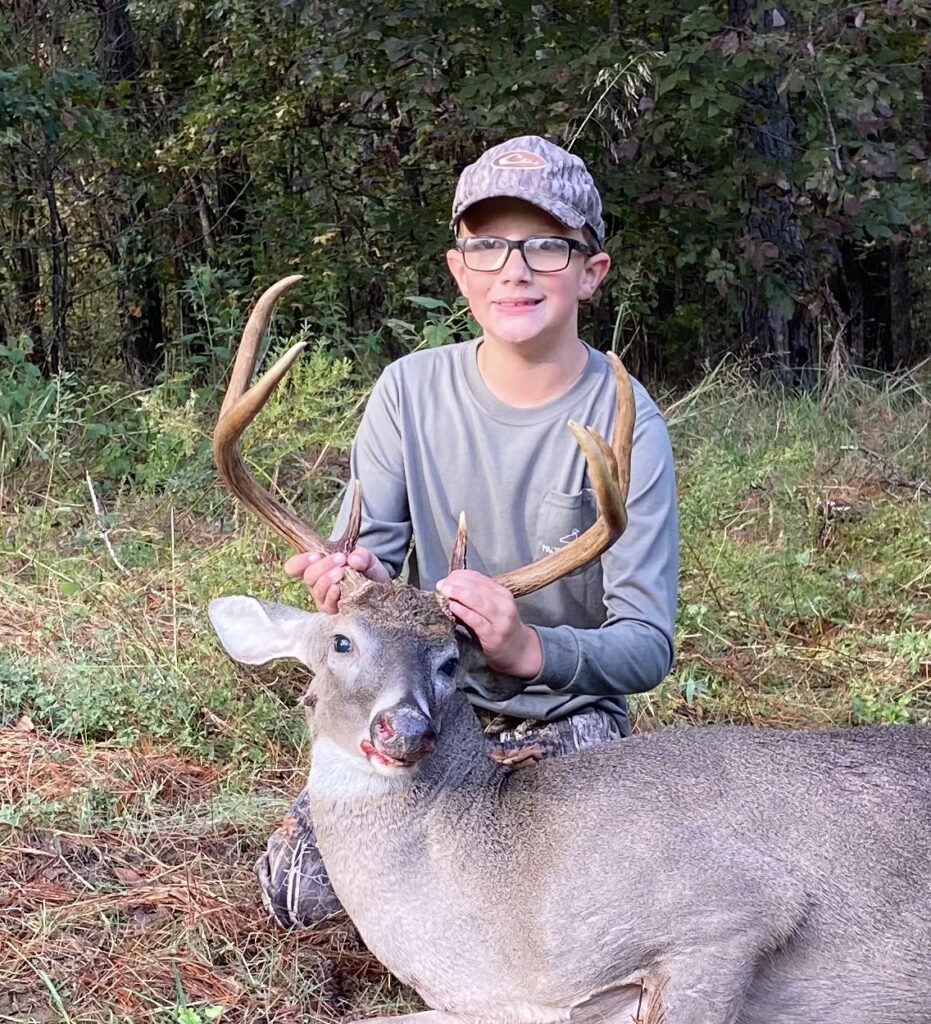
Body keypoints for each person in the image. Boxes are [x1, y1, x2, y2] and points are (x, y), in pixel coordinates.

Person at [256, 135, 679, 929]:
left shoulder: (626, 425)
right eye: (487, 245)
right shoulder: (407, 391)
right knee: (300, 894)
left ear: (591, 272)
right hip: (415, 698)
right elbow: (373, 551)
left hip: (564, 713)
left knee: (571, 899)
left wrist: (530, 651)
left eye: (545, 245)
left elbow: (646, 645)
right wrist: (353, 576)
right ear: (459, 268)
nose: (512, 269)